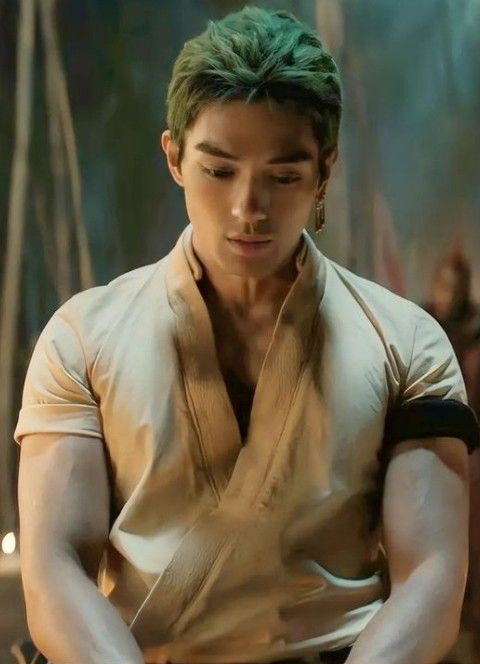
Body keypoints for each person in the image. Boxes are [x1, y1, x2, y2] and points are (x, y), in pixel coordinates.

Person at [14, 7, 479, 664]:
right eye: (219, 170)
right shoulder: (83, 338)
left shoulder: (408, 344)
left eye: (283, 176)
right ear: (174, 157)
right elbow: (56, 565)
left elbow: (431, 576)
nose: (248, 209)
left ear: (324, 170)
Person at [424, 249, 480, 662]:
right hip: (427, 449)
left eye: (454, 287)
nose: (448, 294)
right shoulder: (421, 328)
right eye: (444, 285)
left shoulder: (475, 334)